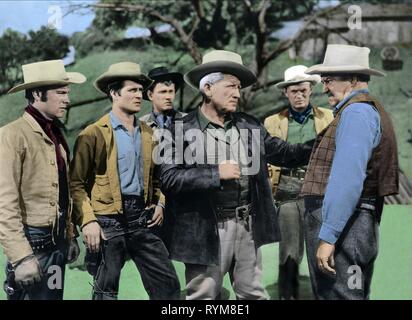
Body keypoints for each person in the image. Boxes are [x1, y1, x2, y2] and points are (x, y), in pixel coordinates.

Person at [159, 50, 314, 300]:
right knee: (204, 295)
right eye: (231, 86)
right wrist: (215, 174)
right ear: (208, 88)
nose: (237, 94)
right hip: (205, 229)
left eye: (239, 87)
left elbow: (286, 152)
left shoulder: (249, 124)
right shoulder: (177, 130)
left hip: (247, 225)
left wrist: (325, 142)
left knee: (252, 293)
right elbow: (169, 179)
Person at [70, 62, 180, 300]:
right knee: (105, 292)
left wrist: (160, 202)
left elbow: (161, 178)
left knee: (168, 286)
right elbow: (76, 185)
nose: (139, 95)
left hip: (142, 219)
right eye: (132, 90)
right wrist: (88, 221)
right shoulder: (92, 134)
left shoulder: (150, 133)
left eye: (141, 90)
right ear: (113, 92)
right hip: (107, 222)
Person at [301, 44, 399, 299]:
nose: (323, 87)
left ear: (353, 79)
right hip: (353, 224)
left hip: (346, 228)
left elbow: (348, 180)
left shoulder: (356, 112)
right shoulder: (361, 109)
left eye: (329, 80)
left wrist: (328, 237)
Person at [0, 60, 85, 299]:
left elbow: (63, 191)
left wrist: (69, 236)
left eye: (67, 92)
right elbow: (4, 203)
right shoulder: (12, 135)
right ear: (37, 94)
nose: (67, 99)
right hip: (32, 247)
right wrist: (21, 257)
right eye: (60, 93)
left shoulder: (56, 133)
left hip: (57, 244)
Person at [264, 65, 333, 299]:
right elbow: (266, 162)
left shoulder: (329, 117)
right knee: (289, 251)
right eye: (293, 91)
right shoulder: (272, 122)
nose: (299, 95)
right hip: (286, 191)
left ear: (311, 89)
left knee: (321, 248)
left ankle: (323, 295)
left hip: (319, 190)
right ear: (286, 92)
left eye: (303, 90)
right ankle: (287, 296)